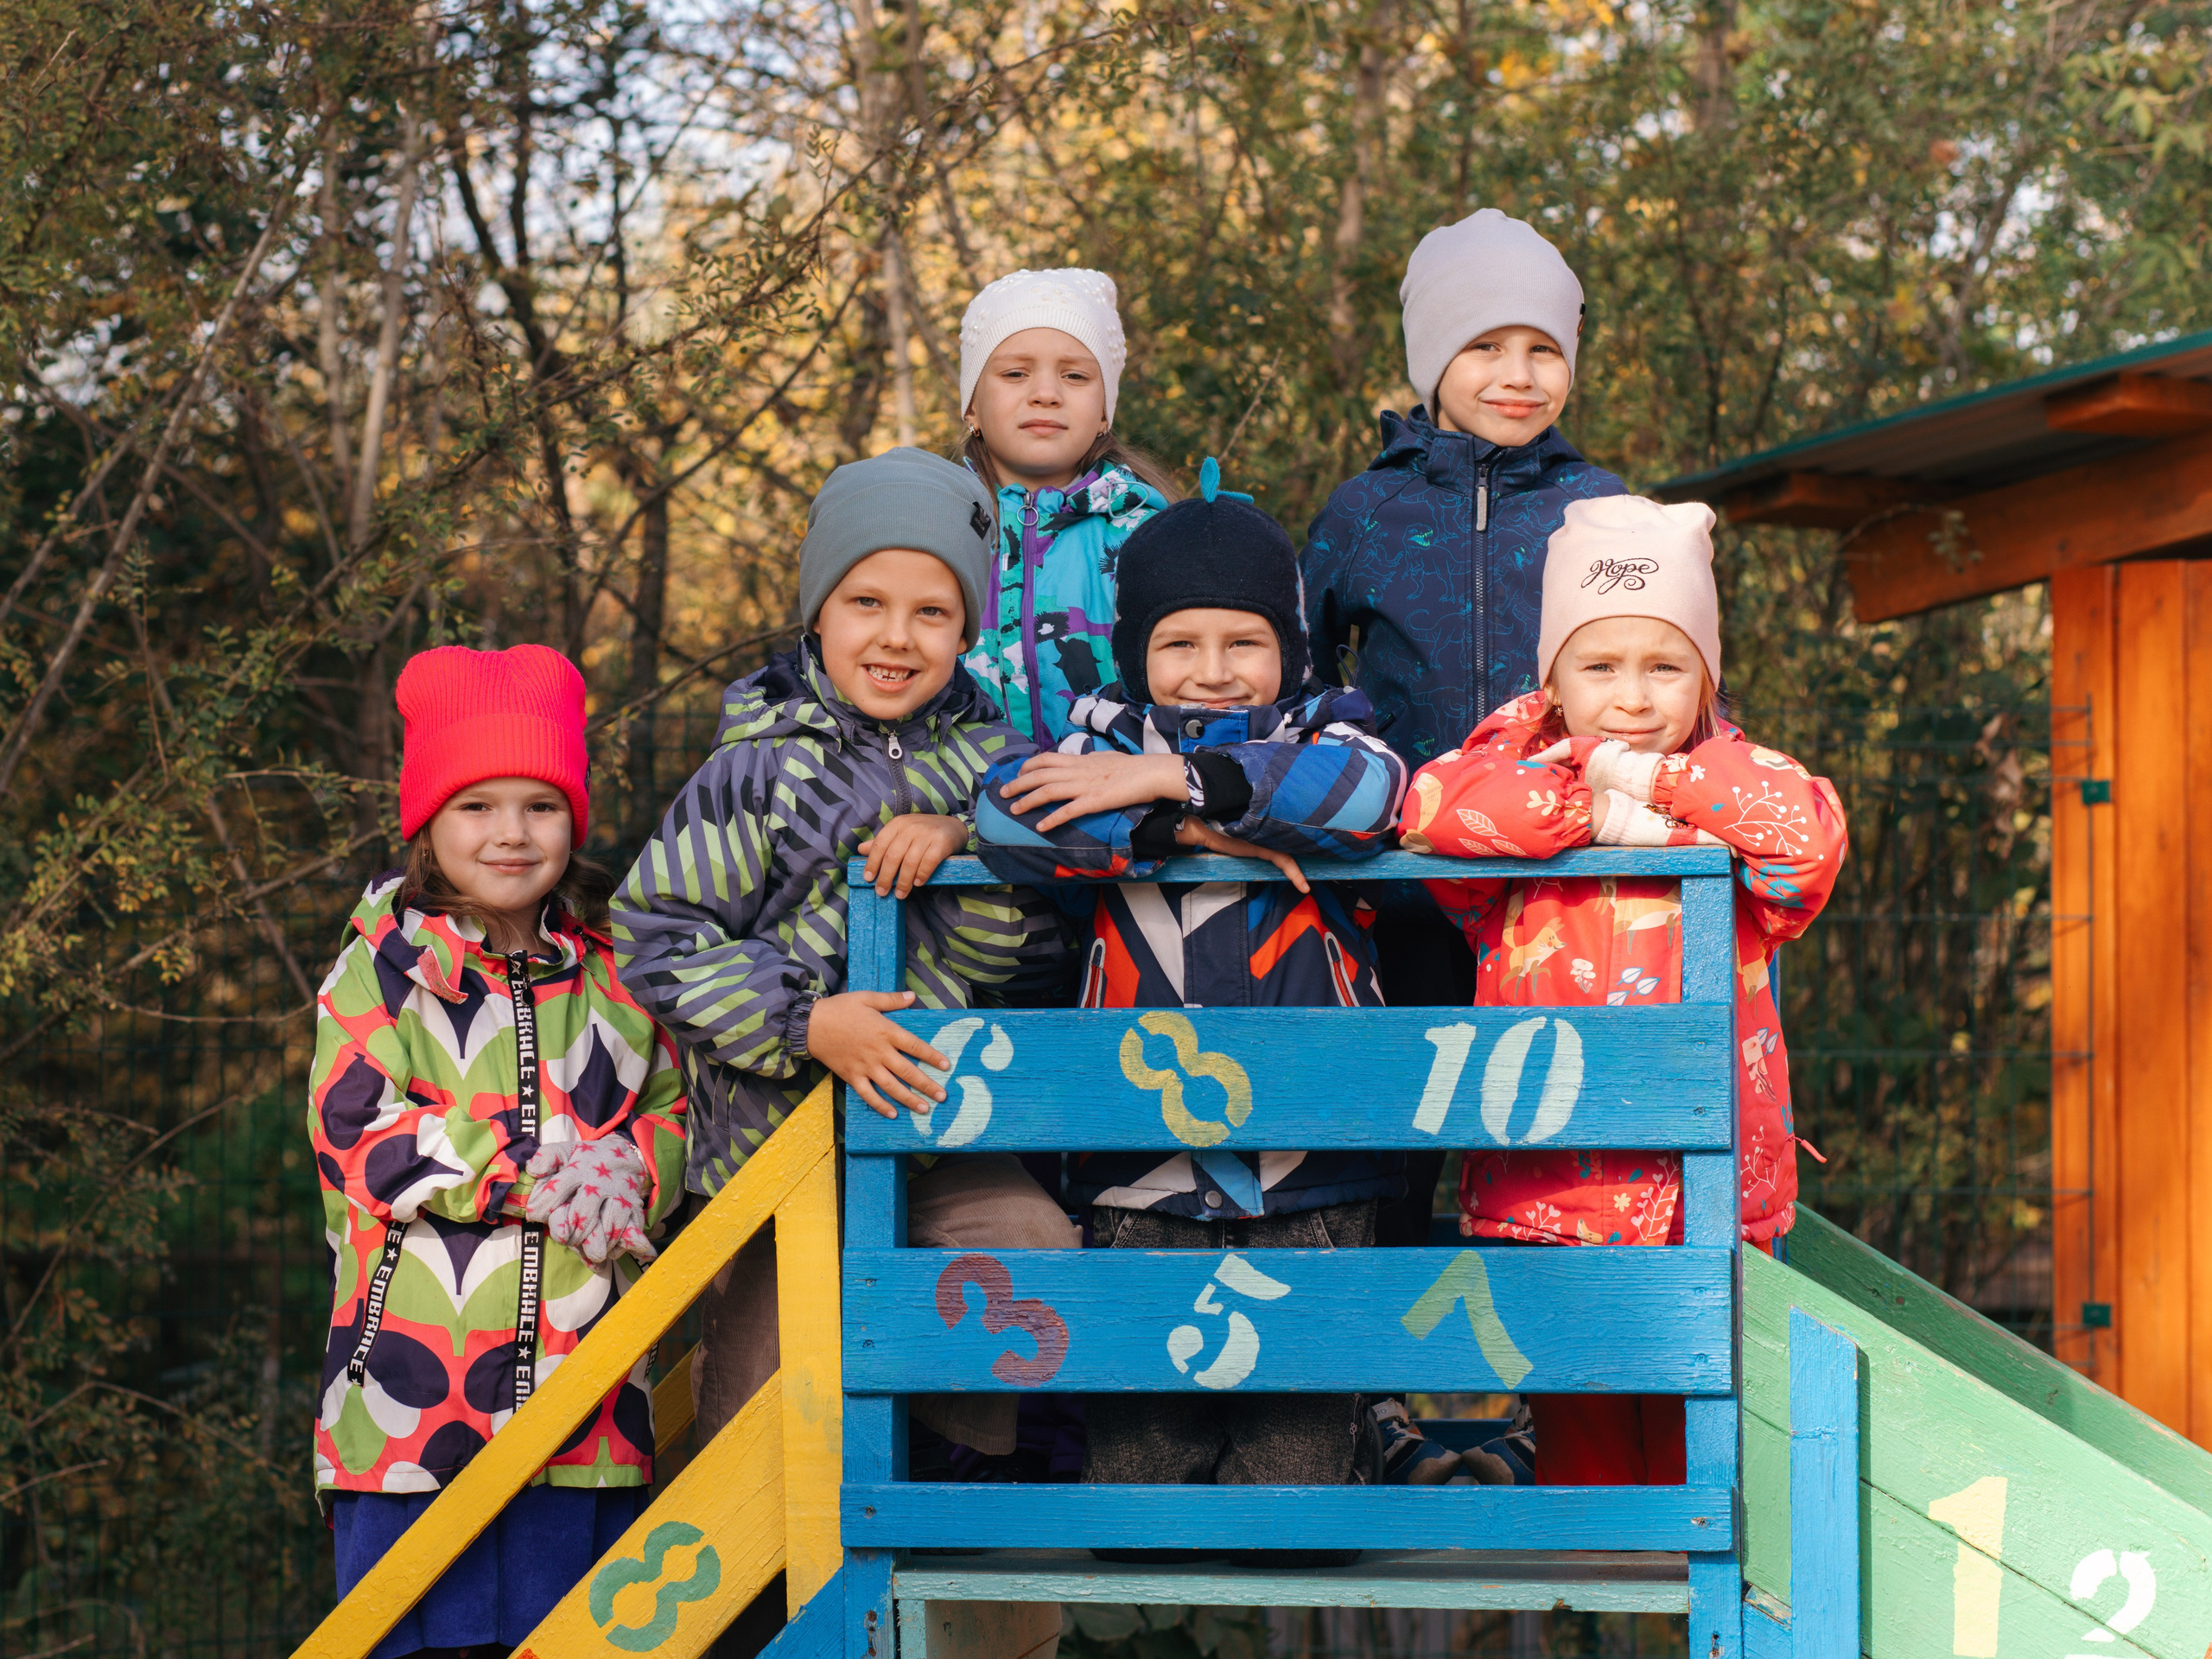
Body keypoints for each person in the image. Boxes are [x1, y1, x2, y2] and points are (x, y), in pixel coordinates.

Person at [611, 445, 1081, 1487]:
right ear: (820, 611)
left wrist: (972, 840)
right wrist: (805, 1023)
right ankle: (759, 1583)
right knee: (774, 1391)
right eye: (867, 601)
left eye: (932, 613)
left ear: (967, 630)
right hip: (778, 1152)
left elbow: (1044, 945)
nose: (896, 637)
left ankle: (956, 1467)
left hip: (934, 1131)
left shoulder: (997, 772)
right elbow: (659, 934)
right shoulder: (754, 768)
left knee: (1029, 1239)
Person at [976, 460, 1408, 1565]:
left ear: (1290, 651)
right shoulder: (1098, 738)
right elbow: (1004, 817)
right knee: (1139, 1490)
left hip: (1313, 1160)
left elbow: (1367, 801)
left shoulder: (1331, 730)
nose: (1212, 674)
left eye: (1243, 643)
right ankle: (1141, 1635)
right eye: (1179, 645)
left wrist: (1175, 786)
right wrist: (1175, 826)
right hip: (1139, 1162)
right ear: (1136, 654)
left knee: (1296, 1496)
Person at [1401, 494, 1847, 1485]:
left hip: (1711, 1192)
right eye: (1600, 666)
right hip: (1553, 1193)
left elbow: (1807, 839)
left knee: (1714, 1468)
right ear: (1551, 677)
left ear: (1706, 678)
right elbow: (1431, 810)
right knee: (1590, 1466)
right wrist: (1586, 788)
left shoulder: (1736, 780)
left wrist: (1646, 790)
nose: (1634, 698)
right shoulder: (1508, 775)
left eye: (1666, 666)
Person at [312, 644, 688, 1656]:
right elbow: (357, 1133)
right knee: (417, 1639)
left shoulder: (614, 973)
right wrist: (536, 1170)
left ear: (576, 818)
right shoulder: (382, 970)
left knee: (573, 1638)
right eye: (477, 805)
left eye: (541, 804)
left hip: (585, 1397)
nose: (512, 834)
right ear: (429, 821)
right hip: (412, 1402)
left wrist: (633, 1171)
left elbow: (670, 1112)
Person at [1301, 207, 1630, 1244]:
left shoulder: (1602, 509)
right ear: (1432, 360)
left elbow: (1671, 663)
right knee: (1395, 1133)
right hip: (1399, 885)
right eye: (1484, 345)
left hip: (1561, 886)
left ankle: (1553, 1396)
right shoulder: (1365, 512)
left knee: (1554, 1142)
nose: (1517, 372)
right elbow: (1299, 676)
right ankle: (1369, 1404)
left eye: (1542, 348)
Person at [955, 266, 1174, 747]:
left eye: (1075, 375)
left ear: (1103, 412)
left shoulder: (1155, 539)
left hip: (1119, 810)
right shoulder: (933, 530)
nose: (1046, 394)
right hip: (950, 806)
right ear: (971, 405)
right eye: (1015, 373)